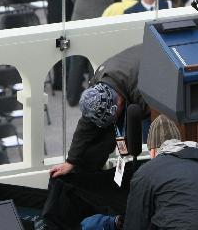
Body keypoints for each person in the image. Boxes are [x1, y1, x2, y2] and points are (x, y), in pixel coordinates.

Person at [49, 45, 149, 178]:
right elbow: (86, 126)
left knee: (150, 140)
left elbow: (159, 119)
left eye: (113, 117)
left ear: (119, 102)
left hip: (153, 75)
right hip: (130, 76)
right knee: (101, 136)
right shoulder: (97, 86)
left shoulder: (141, 93)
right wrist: (71, 161)